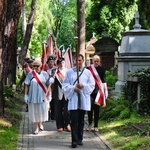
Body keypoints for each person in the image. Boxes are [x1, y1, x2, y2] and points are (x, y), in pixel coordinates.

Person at [62, 54, 95, 148]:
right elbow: (65, 85)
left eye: (80, 60)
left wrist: (83, 85)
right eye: (77, 60)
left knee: (81, 121)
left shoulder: (87, 72)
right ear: (74, 61)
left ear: (83, 61)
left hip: (83, 99)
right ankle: (74, 141)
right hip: (73, 100)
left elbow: (92, 85)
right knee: (74, 120)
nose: (78, 62)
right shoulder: (69, 72)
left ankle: (80, 139)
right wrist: (73, 88)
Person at [24, 60, 51, 134]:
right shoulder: (30, 74)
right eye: (34, 66)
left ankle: (40, 122)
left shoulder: (45, 74)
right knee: (34, 111)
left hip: (42, 95)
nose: (36, 67)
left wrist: (49, 95)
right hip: (33, 95)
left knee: (41, 110)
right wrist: (26, 95)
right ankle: (36, 127)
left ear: (41, 66)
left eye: (37, 66)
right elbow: (27, 84)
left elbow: (49, 85)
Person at [86, 55, 108, 132]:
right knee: (90, 109)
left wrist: (106, 91)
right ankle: (89, 124)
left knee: (96, 109)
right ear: (92, 61)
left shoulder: (102, 69)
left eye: (97, 61)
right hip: (90, 91)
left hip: (98, 92)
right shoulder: (88, 69)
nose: (96, 63)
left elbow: (104, 81)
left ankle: (96, 125)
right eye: (95, 61)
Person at [52, 57, 71, 132]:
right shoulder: (55, 72)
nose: (61, 64)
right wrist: (52, 77)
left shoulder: (68, 72)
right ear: (57, 64)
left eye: (62, 62)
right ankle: (59, 125)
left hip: (66, 93)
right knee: (58, 110)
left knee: (67, 110)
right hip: (58, 93)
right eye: (60, 63)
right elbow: (51, 81)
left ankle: (67, 124)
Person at [44, 55, 57, 120]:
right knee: (46, 102)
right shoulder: (45, 69)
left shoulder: (56, 69)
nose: (51, 63)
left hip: (54, 88)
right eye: (49, 61)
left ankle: (53, 116)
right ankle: (47, 116)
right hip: (46, 88)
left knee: (53, 102)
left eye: (52, 61)